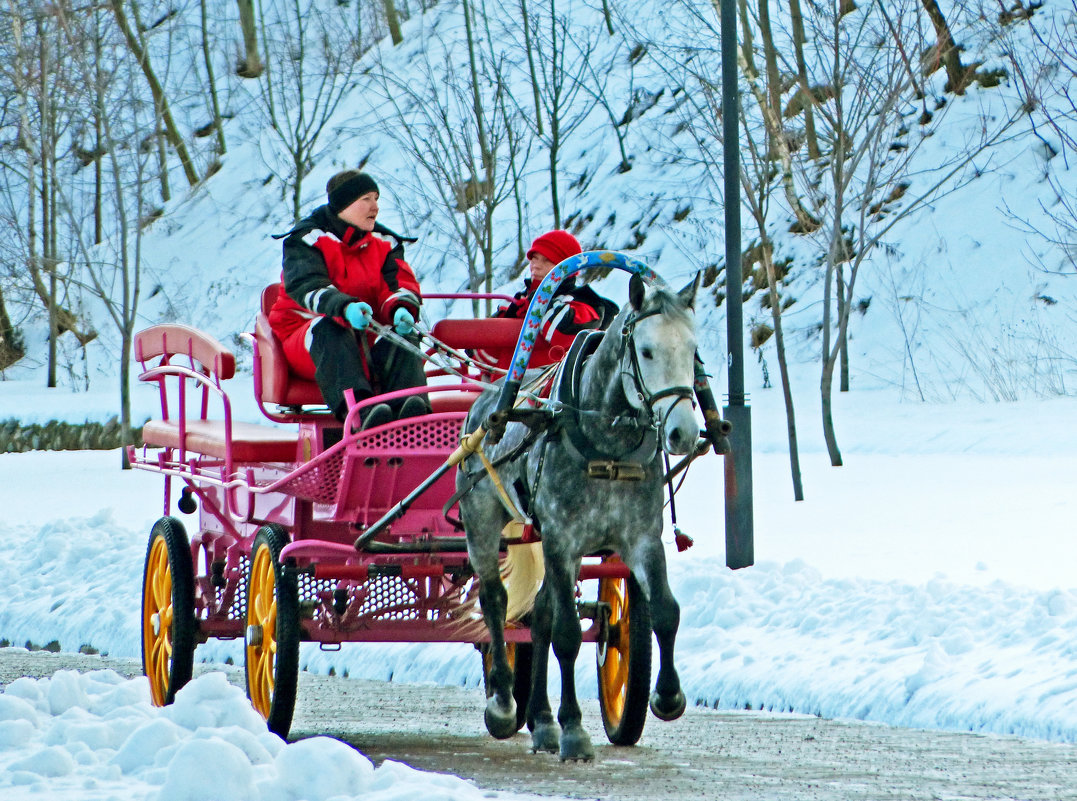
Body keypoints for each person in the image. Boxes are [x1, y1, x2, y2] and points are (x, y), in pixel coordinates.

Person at [268, 169, 429, 429]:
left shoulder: (385, 242)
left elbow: (398, 284)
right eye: (366, 199)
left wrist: (401, 307)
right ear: (344, 204)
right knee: (331, 328)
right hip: (308, 339)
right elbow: (308, 286)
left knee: (402, 336)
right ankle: (361, 414)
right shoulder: (306, 240)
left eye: (377, 198)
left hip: (364, 337)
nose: (375, 207)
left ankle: (411, 412)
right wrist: (343, 307)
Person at [489, 230, 619, 369]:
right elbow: (484, 356)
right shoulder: (516, 301)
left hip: (550, 387)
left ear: (566, 268)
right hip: (502, 386)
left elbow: (561, 334)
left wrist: (538, 301)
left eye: (547, 260)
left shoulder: (586, 306)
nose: (536, 266)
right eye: (534, 259)